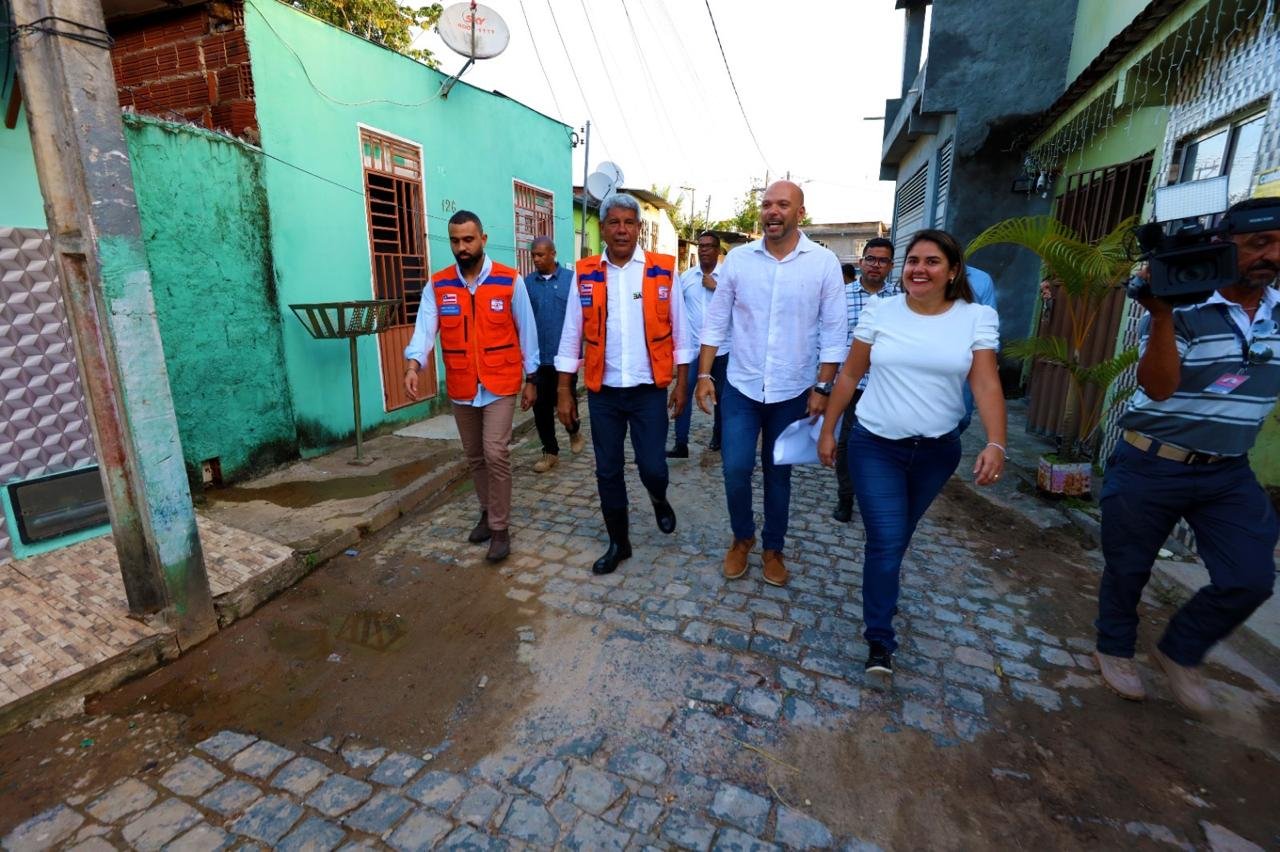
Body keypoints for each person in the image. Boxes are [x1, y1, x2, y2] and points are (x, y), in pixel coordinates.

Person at [1093, 197, 1280, 714]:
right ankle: (1114, 649)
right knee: (1128, 569)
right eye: (1259, 243)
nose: (1271, 255)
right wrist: (1161, 314)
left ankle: (1181, 650)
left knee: (1251, 577)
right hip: (1152, 461)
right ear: (1226, 246)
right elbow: (1157, 385)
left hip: (1228, 471)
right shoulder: (1181, 300)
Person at [818, 228, 1006, 678]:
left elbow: (985, 382)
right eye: (913, 261)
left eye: (932, 262)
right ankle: (880, 639)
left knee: (897, 539)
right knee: (885, 540)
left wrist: (997, 441)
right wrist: (828, 429)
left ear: (952, 271)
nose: (919, 269)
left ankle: (882, 595)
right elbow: (849, 375)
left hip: (937, 453)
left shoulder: (975, 318)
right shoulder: (882, 312)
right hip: (875, 446)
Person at [696, 180, 846, 587]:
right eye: (766, 204)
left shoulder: (822, 263)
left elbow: (835, 332)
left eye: (782, 204)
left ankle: (773, 548)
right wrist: (705, 375)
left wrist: (822, 387)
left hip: (793, 390)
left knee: (779, 474)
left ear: (800, 212)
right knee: (735, 468)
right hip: (741, 387)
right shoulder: (740, 261)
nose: (772, 211)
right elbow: (716, 320)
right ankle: (742, 537)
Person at [555, 193, 694, 575]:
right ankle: (620, 542)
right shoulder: (585, 273)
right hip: (604, 393)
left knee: (653, 466)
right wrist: (564, 390)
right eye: (613, 222)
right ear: (604, 227)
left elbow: (682, 335)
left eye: (628, 223)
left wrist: (682, 385)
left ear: (638, 228)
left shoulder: (662, 270)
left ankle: (658, 496)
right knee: (607, 470)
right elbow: (571, 335)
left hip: (649, 391)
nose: (621, 230)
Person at [404, 210, 539, 563]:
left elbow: (528, 332)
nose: (461, 247)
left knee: (496, 452)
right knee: (475, 455)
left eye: (468, 239)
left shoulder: (510, 281)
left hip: (501, 381)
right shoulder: (439, 285)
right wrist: (413, 364)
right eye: (455, 241)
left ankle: (500, 528)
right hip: (463, 382)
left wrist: (533, 378)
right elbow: (424, 329)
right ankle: (486, 510)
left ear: (483, 239)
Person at [832, 239, 902, 523]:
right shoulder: (841, 296)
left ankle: (877, 496)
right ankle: (846, 497)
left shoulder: (903, 300)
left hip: (889, 387)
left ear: (891, 266)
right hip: (852, 386)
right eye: (871, 259)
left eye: (882, 260)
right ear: (861, 262)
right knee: (848, 443)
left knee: (885, 445)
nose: (876, 265)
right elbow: (830, 338)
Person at [524, 236, 585, 473]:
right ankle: (550, 452)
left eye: (540, 254)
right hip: (539, 359)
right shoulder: (528, 284)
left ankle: (574, 430)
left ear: (553, 253)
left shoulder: (572, 281)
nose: (537, 259)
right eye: (534, 255)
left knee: (566, 407)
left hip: (565, 360)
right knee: (541, 410)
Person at [669, 231, 729, 459]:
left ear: (717, 250)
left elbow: (742, 308)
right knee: (682, 391)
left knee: (721, 398)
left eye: (708, 246)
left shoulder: (727, 278)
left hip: (722, 350)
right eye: (700, 246)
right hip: (693, 349)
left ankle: (718, 438)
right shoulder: (686, 278)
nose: (703, 250)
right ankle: (680, 444)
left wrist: (717, 288)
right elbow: (677, 311)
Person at [957, 264, 999, 433]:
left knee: (963, 416)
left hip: (969, 356)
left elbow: (991, 320)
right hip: (933, 354)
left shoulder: (981, 279)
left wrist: (992, 356)